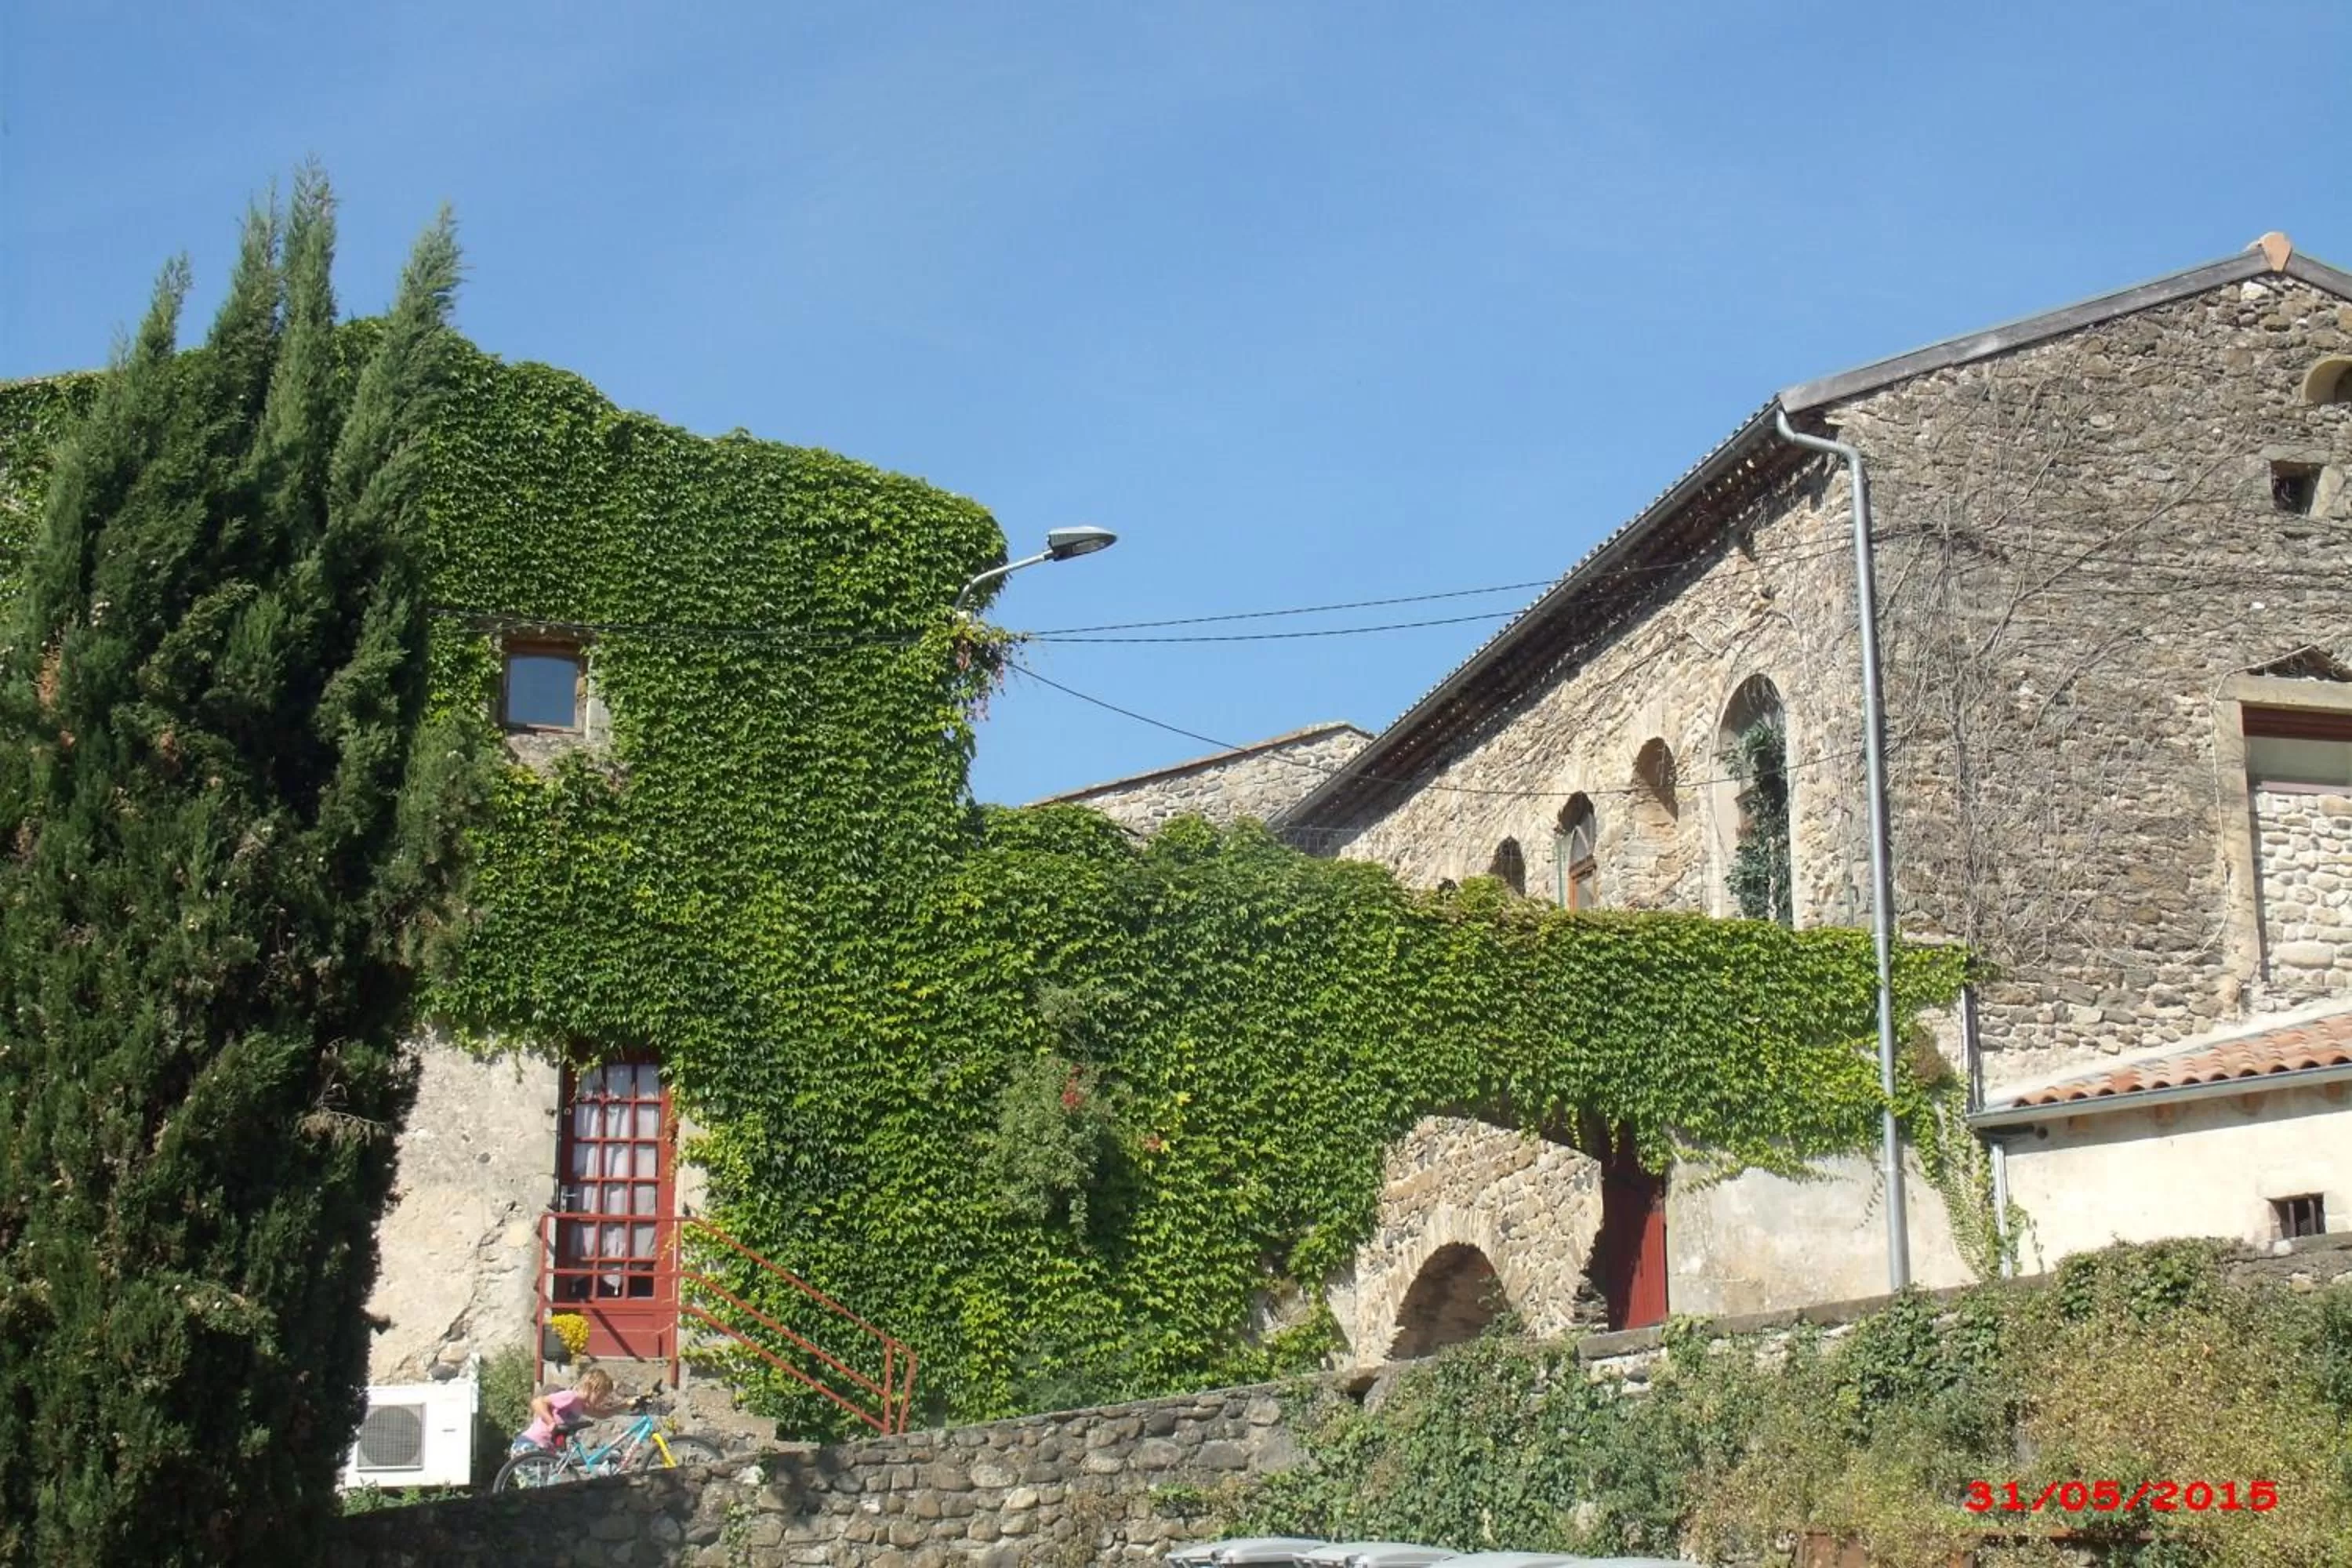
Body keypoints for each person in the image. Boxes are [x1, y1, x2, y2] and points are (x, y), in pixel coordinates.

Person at [510, 1366, 627, 1457]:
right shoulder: (571, 1397)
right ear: (593, 1388)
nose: (602, 1400)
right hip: (531, 1444)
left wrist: (626, 1405)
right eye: (602, 1395)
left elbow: (603, 1414)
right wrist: (551, 1422)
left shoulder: (581, 1406)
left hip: (544, 1449)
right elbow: (537, 1402)